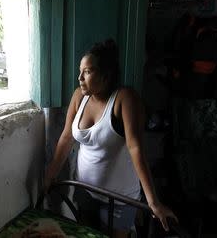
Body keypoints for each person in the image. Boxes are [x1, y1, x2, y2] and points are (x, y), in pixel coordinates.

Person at [44, 39, 178, 237]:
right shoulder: (79, 97)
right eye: (80, 71)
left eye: (88, 72)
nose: (79, 77)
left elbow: (135, 148)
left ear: (106, 76)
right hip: (85, 189)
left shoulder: (124, 99)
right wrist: (50, 175)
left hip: (120, 198)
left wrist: (152, 201)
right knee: (85, 235)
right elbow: (66, 138)